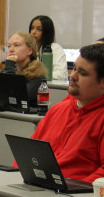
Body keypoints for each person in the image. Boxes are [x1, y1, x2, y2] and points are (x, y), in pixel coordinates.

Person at [20, 43, 104, 183]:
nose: (73, 76)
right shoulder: (58, 110)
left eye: (82, 73)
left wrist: (73, 191)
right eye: (74, 69)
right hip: (40, 188)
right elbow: (29, 154)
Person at [0, 32, 47, 106]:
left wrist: (9, 67)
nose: (11, 50)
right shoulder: (9, 70)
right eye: (8, 46)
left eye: (16, 45)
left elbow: (9, 98)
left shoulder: (37, 77)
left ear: (29, 51)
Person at [29, 15, 68, 81]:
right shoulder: (28, 48)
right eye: (32, 28)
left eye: (39, 29)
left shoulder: (55, 48)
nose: (33, 32)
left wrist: (36, 75)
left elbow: (61, 75)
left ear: (47, 32)